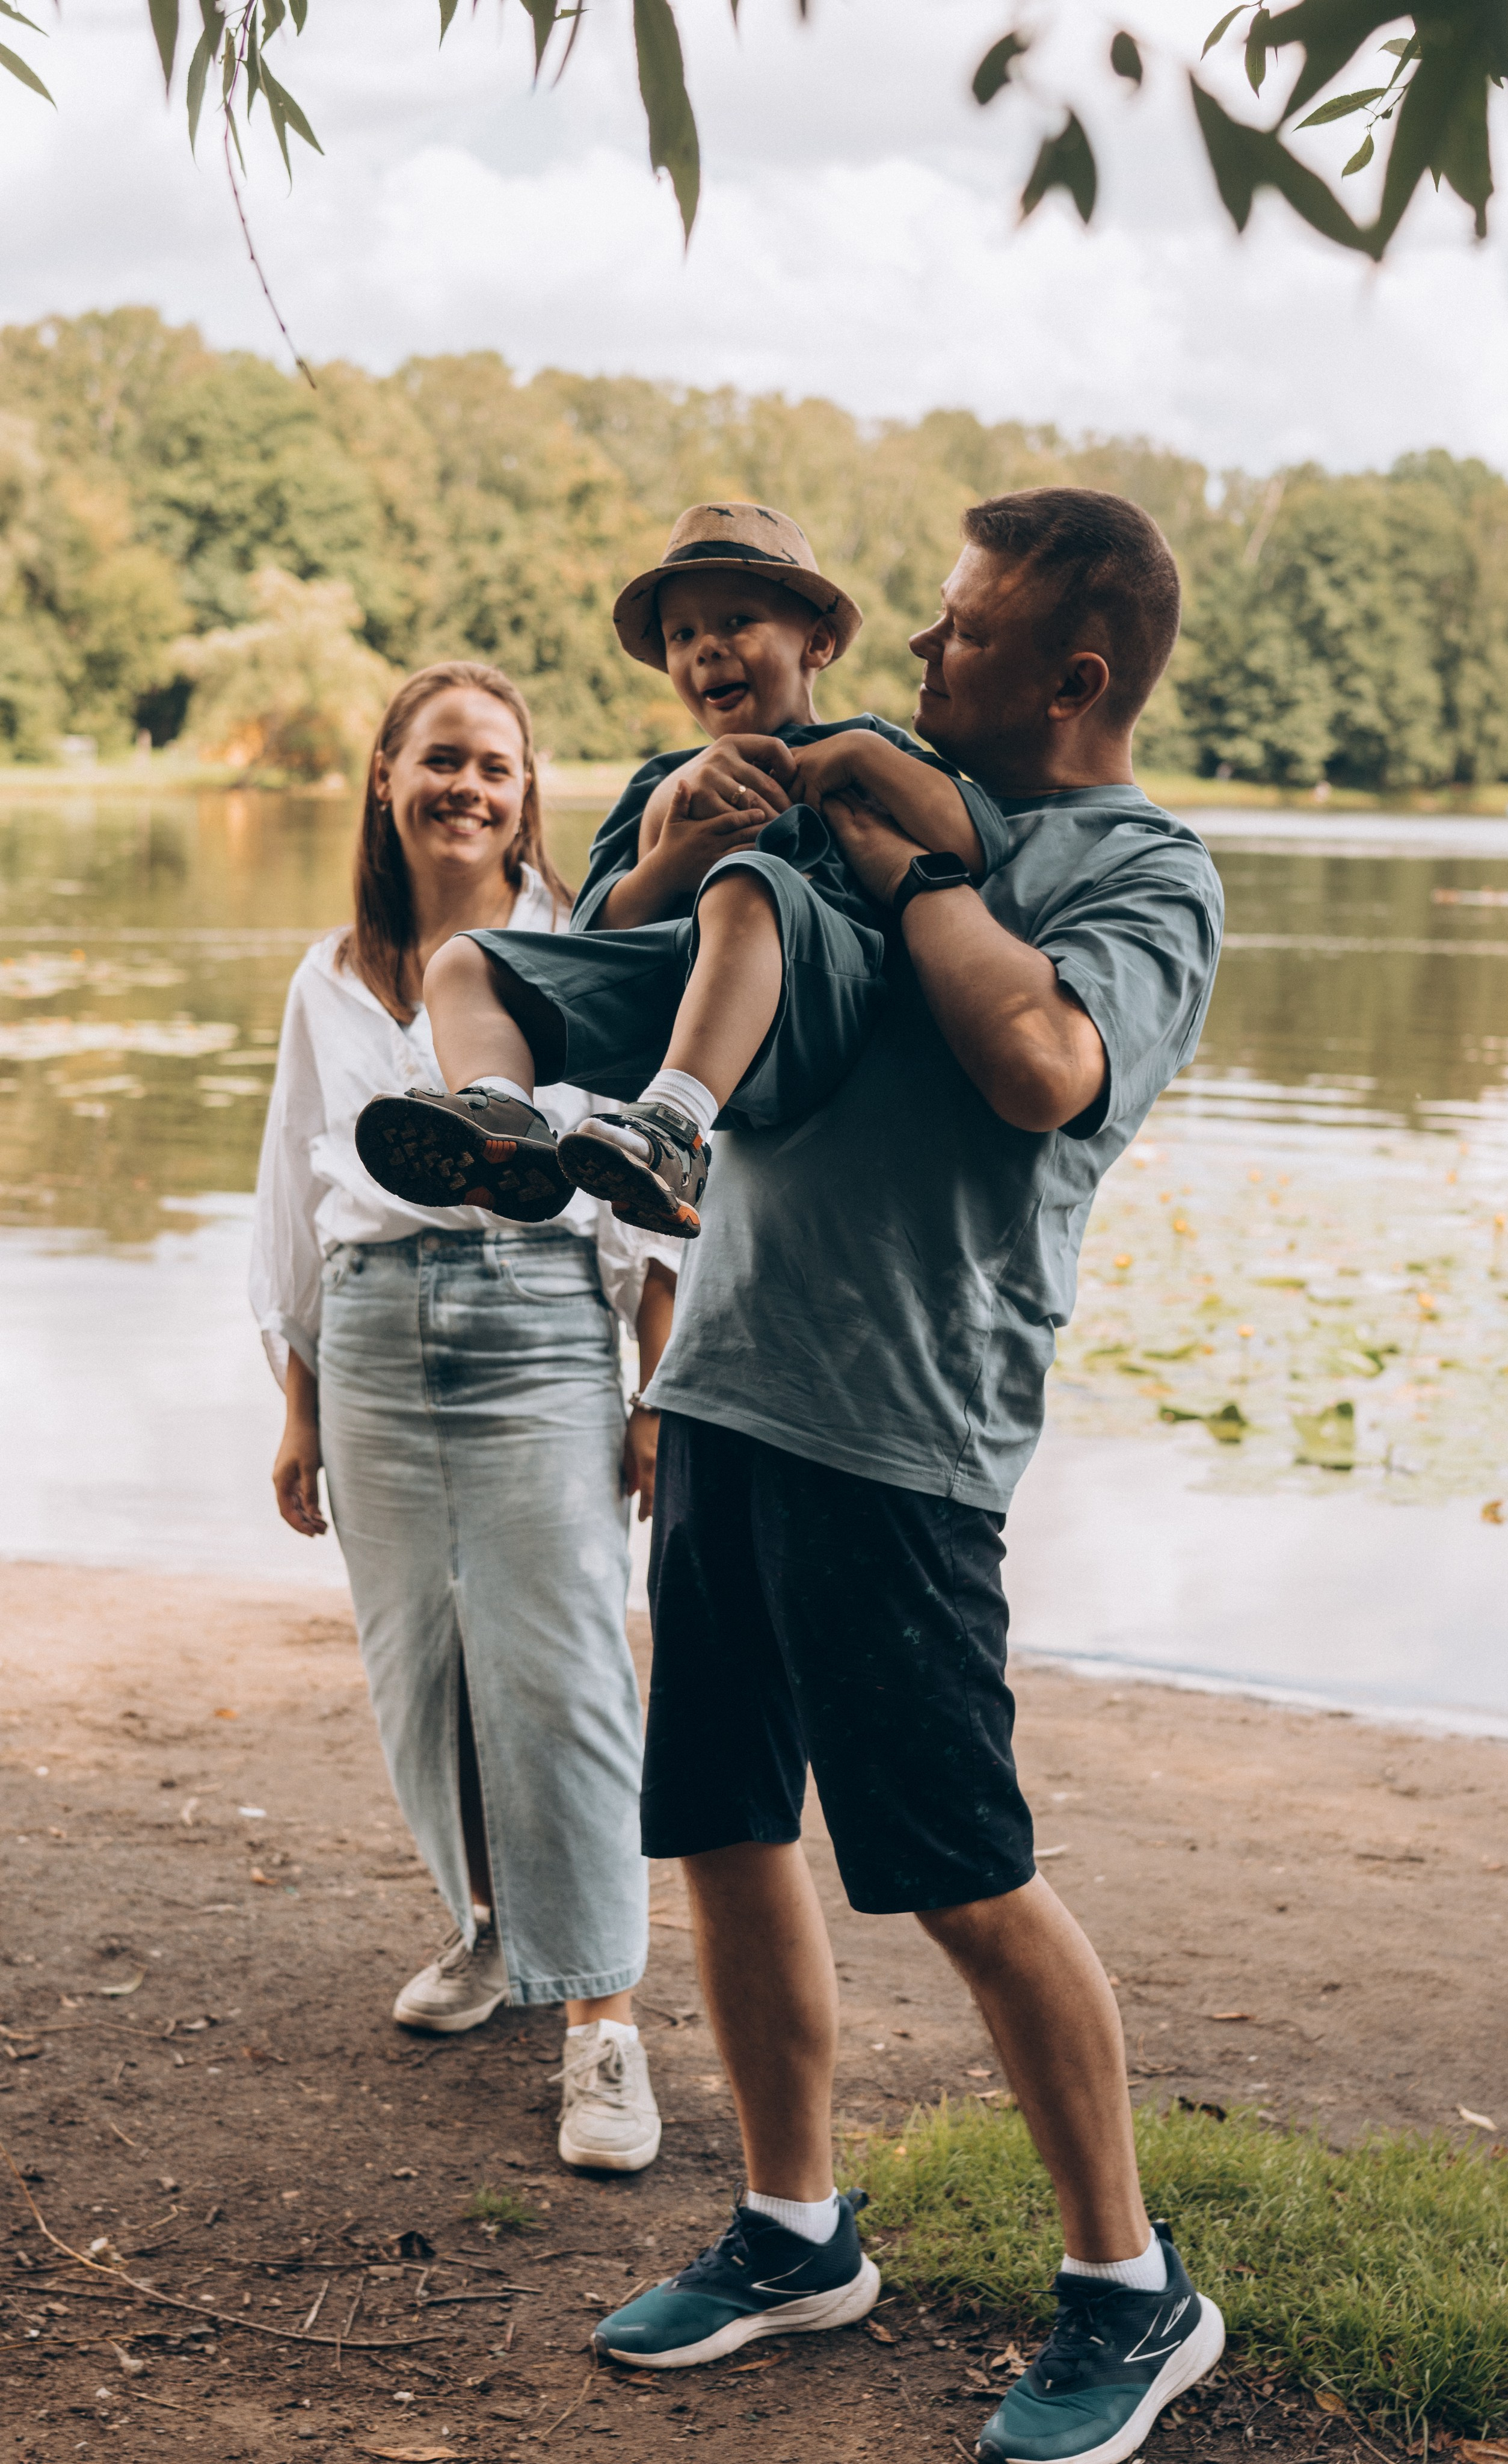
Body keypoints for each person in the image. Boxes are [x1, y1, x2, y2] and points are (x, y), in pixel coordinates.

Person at [588, 490, 1229, 2464]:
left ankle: (1130, 2286)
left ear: (1072, 673)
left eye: (962, 626)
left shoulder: (1136, 871)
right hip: (727, 1383)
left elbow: (1040, 1066)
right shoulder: (853, 785)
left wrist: (908, 867)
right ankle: (792, 2231)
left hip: (901, 1431)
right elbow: (642, 965)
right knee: (718, 1821)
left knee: (958, 1864)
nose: (925, 650)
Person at [250, 660, 679, 2175]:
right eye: (440, 758)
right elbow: (295, 1194)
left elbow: (646, 1191)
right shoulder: (327, 975)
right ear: (386, 776)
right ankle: (492, 1927)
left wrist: (651, 1392)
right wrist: (297, 1405)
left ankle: (602, 2021)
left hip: (537, 1326)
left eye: (495, 765)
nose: (467, 788)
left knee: (559, 1676)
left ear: (526, 791)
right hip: (369, 1338)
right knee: (419, 1674)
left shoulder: (572, 949)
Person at [353, 501, 1011, 1238]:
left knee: (746, 885)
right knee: (461, 961)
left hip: (825, 1005)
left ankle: (675, 1133)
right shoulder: (663, 783)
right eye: (683, 635)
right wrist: (669, 860)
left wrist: (858, 758)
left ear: (818, 642)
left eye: (737, 622)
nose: (707, 649)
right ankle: (504, 1118)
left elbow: (978, 839)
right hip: (683, 1010)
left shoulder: (868, 747)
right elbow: (598, 932)